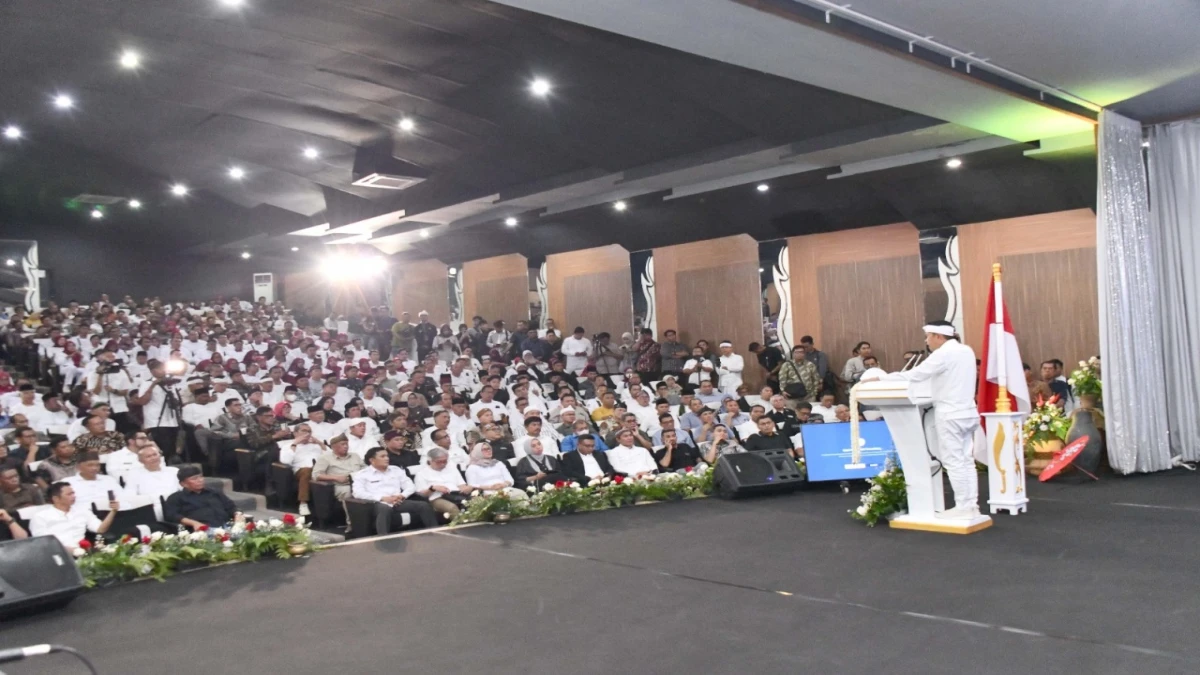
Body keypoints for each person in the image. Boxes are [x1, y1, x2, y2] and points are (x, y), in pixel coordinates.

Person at [863, 321, 981, 519]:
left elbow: (917, 374)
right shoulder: (966, 350)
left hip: (950, 414)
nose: (926, 341)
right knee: (966, 460)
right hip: (968, 412)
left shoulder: (943, 354)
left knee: (954, 461)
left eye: (928, 336)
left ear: (938, 336)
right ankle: (971, 504)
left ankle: (963, 506)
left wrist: (883, 379)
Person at [352, 447, 439, 534]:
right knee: (385, 509)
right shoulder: (362, 474)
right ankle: (384, 539)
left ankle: (435, 532)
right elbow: (358, 493)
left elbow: (410, 486)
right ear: (372, 460)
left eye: (387, 456)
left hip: (398, 501)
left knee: (423, 505)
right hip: (377, 503)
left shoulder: (396, 470)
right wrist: (382, 498)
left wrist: (402, 495)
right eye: (382, 456)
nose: (387, 458)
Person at [29, 482, 119, 549]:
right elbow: (43, 543)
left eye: (73, 493)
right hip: (56, 553)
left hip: (84, 551)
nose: (73, 496)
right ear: (56, 499)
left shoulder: (82, 511)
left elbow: (100, 529)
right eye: (69, 494)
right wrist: (70, 551)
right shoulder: (40, 517)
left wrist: (113, 511)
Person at [164, 465, 239, 529]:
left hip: (227, 525)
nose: (200, 480)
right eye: (194, 478)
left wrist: (238, 514)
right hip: (202, 530)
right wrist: (193, 523)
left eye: (201, 477)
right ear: (183, 484)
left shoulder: (214, 492)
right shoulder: (176, 498)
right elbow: (172, 516)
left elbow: (230, 506)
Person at [412, 447, 472, 520]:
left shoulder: (452, 469)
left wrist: (466, 488)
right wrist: (433, 488)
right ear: (430, 461)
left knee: (476, 501)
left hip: (455, 494)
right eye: (439, 462)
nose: (443, 464)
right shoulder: (421, 474)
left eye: (445, 461)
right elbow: (422, 495)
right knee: (451, 507)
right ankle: (464, 526)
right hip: (437, 498)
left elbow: (461, 485)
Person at [312, 435, 366, 501]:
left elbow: (366, 469)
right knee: (349, 491)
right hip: (341, 486)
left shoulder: (355, 456)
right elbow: (316, 475)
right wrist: (336, 477)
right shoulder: (325, 458)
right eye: (343, 444)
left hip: (360, 483)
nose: (346, 446)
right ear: (333, 447)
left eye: (346, 444)